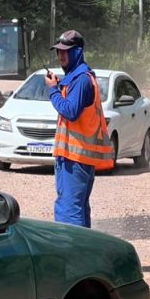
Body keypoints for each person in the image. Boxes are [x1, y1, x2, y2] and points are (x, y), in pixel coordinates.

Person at [45, 30, 114, 227]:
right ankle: (83, 246)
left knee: (69, 212)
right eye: (59, 51)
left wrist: (52, 90)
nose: (61, 55)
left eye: (65, 51)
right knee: (78, 208)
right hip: (74, 157)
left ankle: (70, 247)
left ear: (77, 52)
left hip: (76, 158)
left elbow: (71, 111)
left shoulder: (82, 79)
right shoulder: (77, 78)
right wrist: (59, 86)